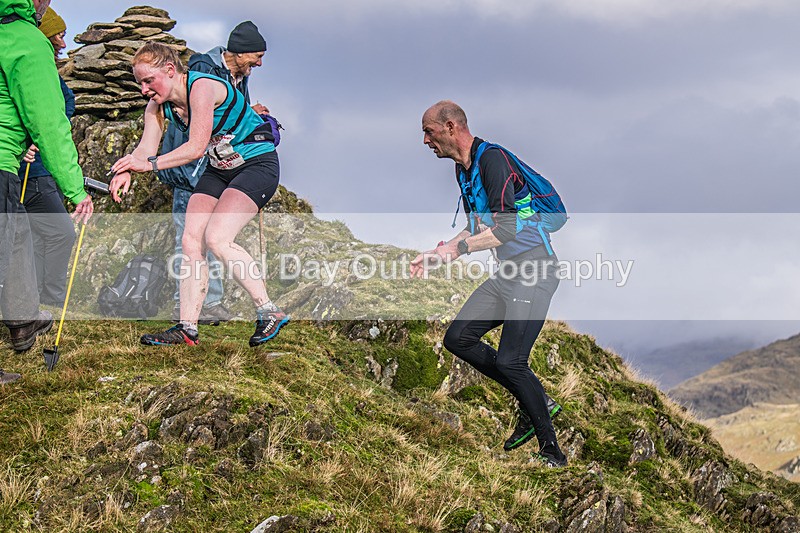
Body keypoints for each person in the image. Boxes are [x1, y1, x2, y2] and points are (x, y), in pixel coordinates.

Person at [411, 101, 567, 467]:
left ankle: (551, 452)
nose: (424, 141)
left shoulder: (492, 160)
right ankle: (535, 401)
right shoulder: (463, 170)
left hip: (535, 271)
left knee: (513, 361)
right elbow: (479, 226)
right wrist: (444, 250)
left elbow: (506, 228)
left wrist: (458, 249)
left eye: (429, 132)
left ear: (450, 127)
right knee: (458, 338)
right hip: (508, 274)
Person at [109, 42, 288, 347]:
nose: (144, 90)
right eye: (140, 83)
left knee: (217, 238)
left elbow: (194, 148)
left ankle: (269, 311)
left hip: (256, 163)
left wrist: (148, 166)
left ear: (169, 70)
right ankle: (187, 328)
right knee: (191, 239)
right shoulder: (157, 105)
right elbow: (145, 150)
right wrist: (125, 169)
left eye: (148, 81)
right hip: (221, 166)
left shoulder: (202, 86)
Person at [0, 0, 93, 373]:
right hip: (4, 161)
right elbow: (49, 123)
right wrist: (76, 189)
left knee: (17, 238)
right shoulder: (24, 39)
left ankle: (23, 319)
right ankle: (24, 318)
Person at [157, 21, 269, 325]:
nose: (258, 63)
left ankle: (210, 302)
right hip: (192, 167)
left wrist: (250, 113)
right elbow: (196, 122)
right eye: (256, 56)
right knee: (189, 235)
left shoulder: (237, 75)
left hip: (215, 165)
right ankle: (190, 305)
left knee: (212, 235)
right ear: (239, 51)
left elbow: (230, 113)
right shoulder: (204, 69)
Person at [17, 5, 76, 306]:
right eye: (59, 35)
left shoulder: (49, 72)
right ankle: (47, 298)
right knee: (59, 232)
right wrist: (30, 139)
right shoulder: (32, 66)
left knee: (42, 236)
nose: (63, 44)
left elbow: (63, 108)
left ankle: (41, 298)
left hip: (42, 169)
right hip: (32, 172)